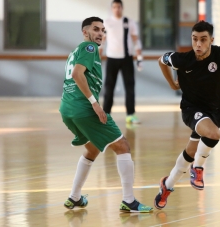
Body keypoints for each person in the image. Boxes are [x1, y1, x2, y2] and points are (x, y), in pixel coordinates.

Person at [154, 21, 220, 209]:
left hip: (216, 111)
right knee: (213, 134)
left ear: (211, 40)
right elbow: (161, 60)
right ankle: (198, 168)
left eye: (203, 40)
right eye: (195, 39)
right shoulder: (182, 59)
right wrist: (171, 82)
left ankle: (167, 186)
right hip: (192, 109)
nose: (198, 44)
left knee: (191, 152)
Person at [59, 16, 152, 213]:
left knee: (92, 149)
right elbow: (77, 74)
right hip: (83, 108)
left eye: (103, 30)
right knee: (123, 146)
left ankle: (75, 197)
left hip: (67, 109)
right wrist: (95, 104)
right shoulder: (89, 48)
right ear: (85, 32)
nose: (100, 33)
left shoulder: (76, 50)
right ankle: (129, 201)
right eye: (96, 29)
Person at [100, 0, 143, 124]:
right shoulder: (107, 23)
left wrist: (139, 59)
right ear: (112, 9)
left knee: (130, 87)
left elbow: (136, 40)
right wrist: (97, 58)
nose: (116, 9)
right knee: (109, 87)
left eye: (118, 7)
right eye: (114, 7)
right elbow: (102, 41)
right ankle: (106, 115)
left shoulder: (129, 22)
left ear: (122, 8)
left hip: (126, 59)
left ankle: (130, 115)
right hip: (112, 58)